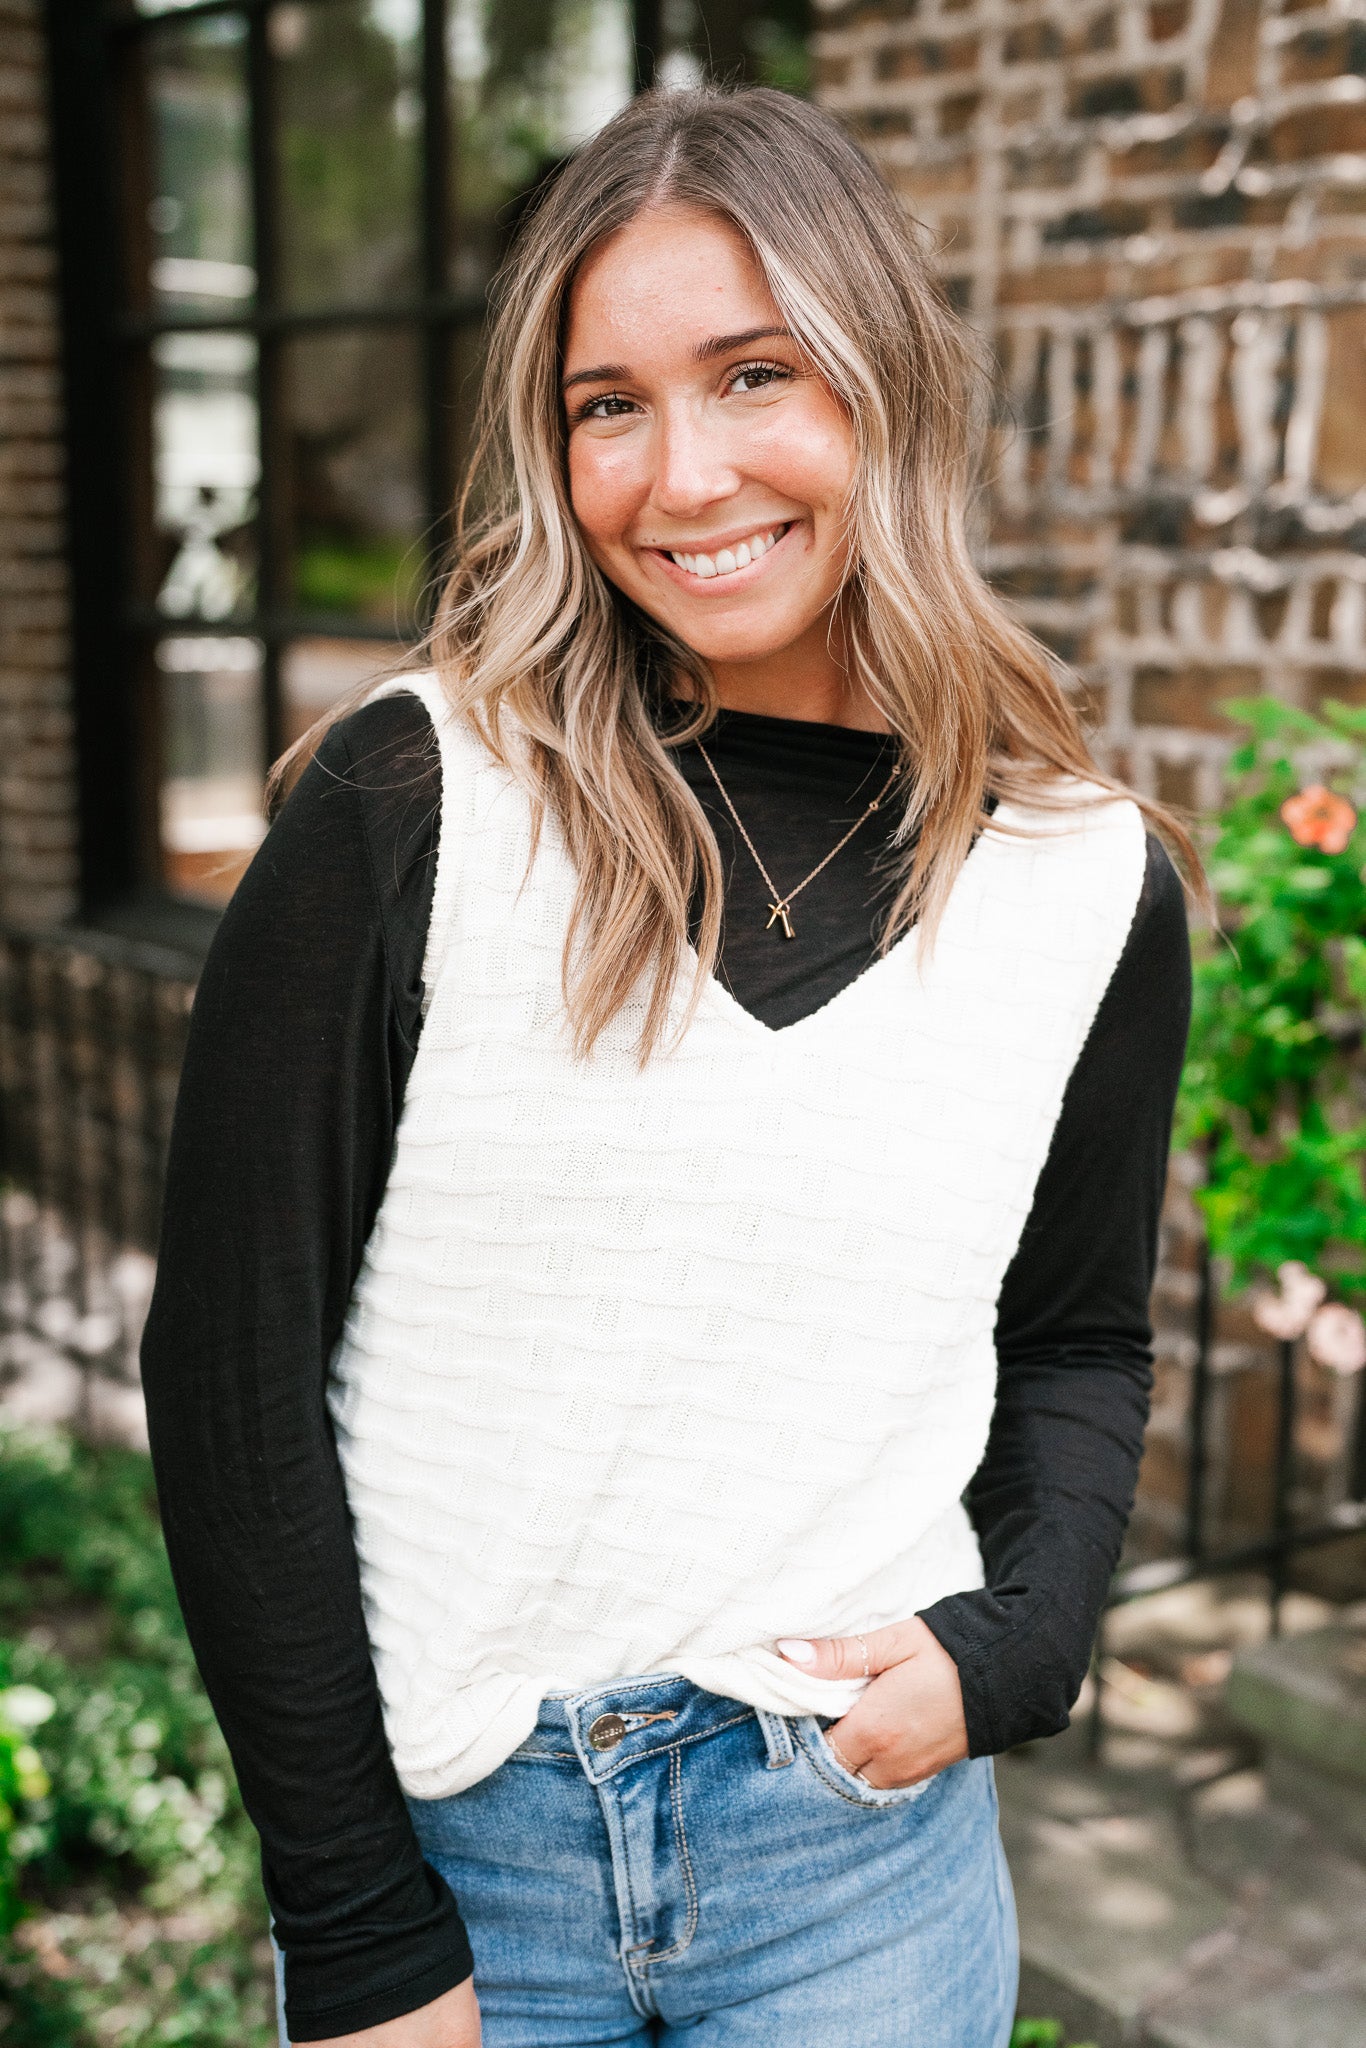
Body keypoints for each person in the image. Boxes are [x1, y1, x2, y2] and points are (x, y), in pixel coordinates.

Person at [141, 85, 1194, 2048]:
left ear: (884, 383)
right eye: (604, 403)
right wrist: (360, 1917)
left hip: (859, 1869)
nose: (678, 472)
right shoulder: (418, 799)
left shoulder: (1080, 884)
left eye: (750, 373)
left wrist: (1017, 1650)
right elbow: (226, 1382)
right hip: (468, 1868)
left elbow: (1070, 1338)